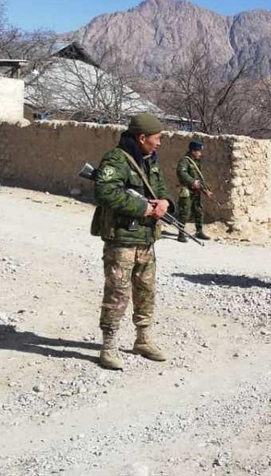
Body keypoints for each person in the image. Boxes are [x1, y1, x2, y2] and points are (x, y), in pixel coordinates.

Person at [93, 113, 175, 370]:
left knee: (146, 291)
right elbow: (105, 192)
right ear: (142, 138)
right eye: (156, 138)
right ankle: (109, 345)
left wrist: (165, 203)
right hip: (122, 241)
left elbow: (160, 189)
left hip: (146, 239)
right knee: (118, 292)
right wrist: (143, 209)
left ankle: (143, 339)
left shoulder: (151, 160)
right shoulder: (116, 160)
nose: (159, 142)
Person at [176, 140, 213, 242]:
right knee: (185, 212)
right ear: (193, 151)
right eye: (198, 151)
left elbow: (200, 178)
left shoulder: (197, 162)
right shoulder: (185, 161)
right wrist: (192, 182)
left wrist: (206, 190)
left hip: (196, 191)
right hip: (187, 190)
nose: (200, 154)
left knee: (199, 211)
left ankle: (199, 231)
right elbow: (181, 173)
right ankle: (181, 234)